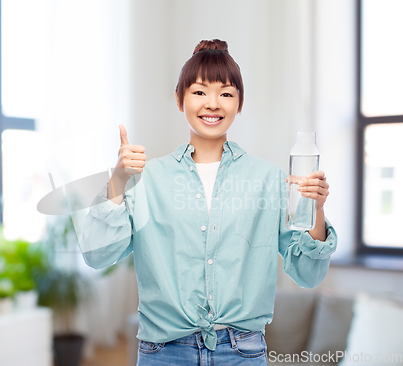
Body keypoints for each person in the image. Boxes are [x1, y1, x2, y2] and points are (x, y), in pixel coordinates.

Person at [78, 39, 338, 366]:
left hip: (243, 353)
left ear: (239, 104)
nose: (212, 104)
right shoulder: (146, 180)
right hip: (163, 353)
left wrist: (316, 208)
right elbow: (97, 254)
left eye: (226, 93)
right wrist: (117, 180)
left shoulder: (269, 180)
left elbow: (308, 273)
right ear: (179, 98)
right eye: (199, 92)